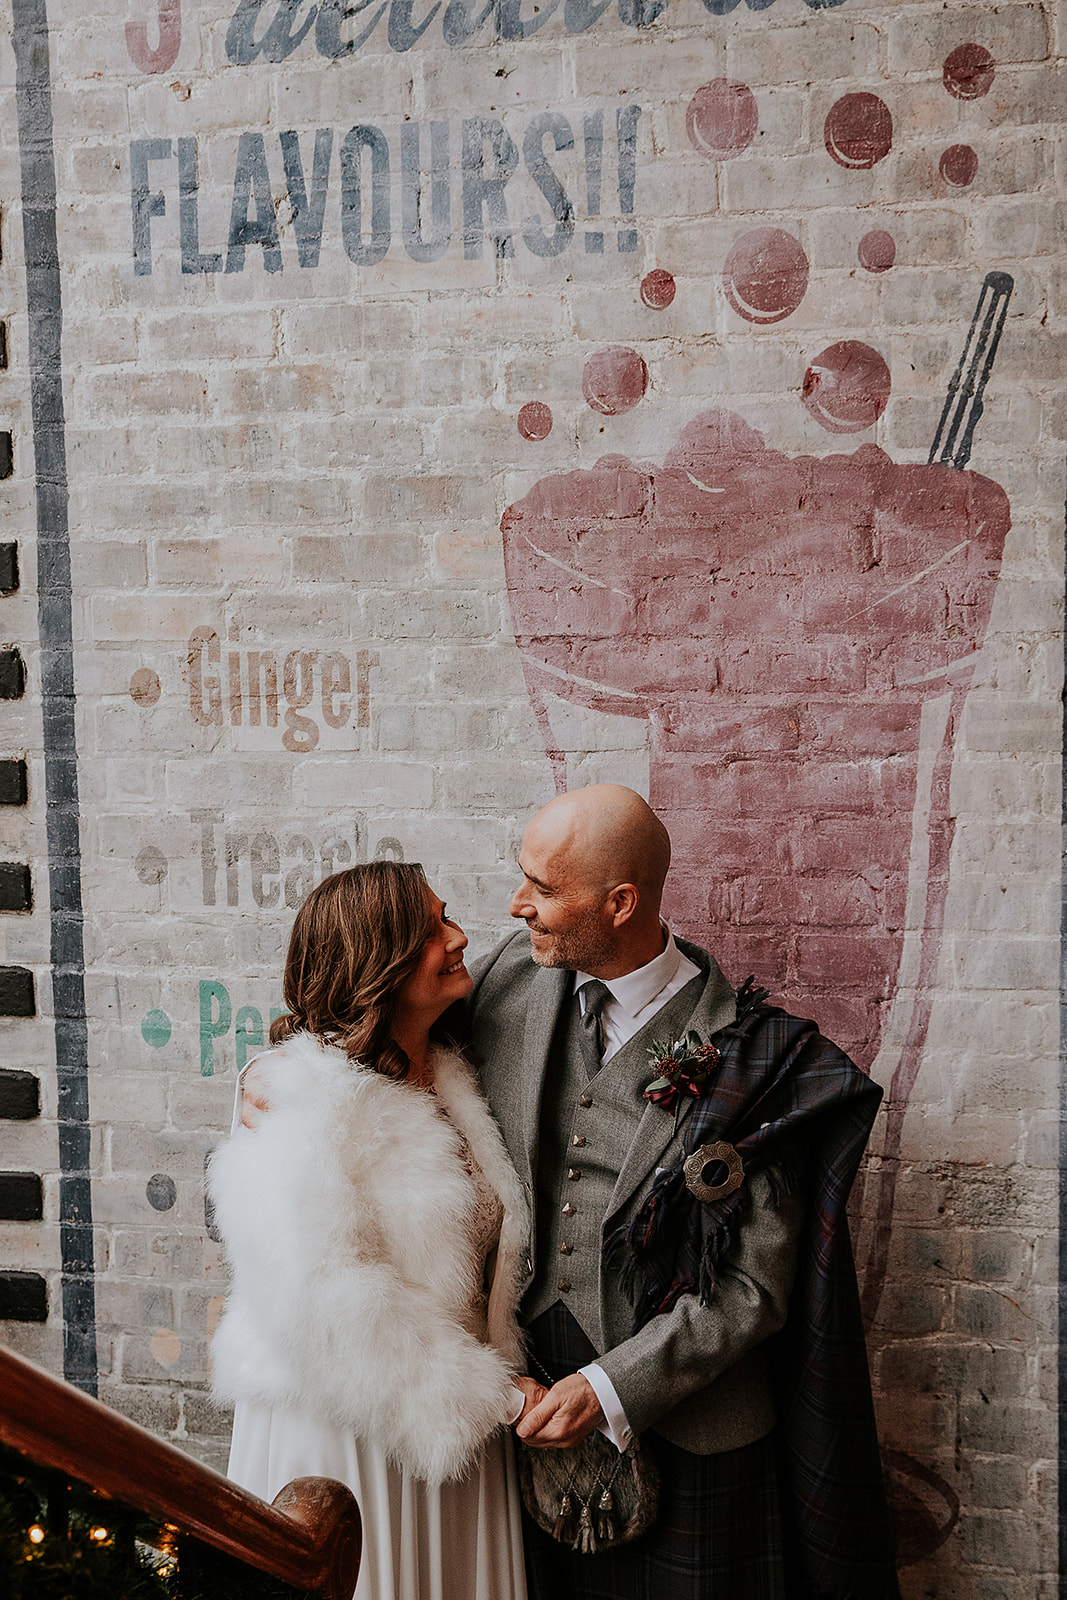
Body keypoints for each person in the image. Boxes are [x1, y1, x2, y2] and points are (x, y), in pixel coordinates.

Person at [467, 784, 900, 1600]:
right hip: (525, 1409)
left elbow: (751, 1291)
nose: (518, 903)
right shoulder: (503, 982)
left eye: (545, 888)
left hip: (692, 1424)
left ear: (620, 902)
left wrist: (609, 1390)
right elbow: (374, 1035)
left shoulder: (753, 1059)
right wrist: (273, 1076)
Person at [208, 862, 546, 1600]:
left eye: (446, 916)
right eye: (430, 930)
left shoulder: (450, 1070)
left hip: (454, 1421)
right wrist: (495, 1396)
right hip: (346, 1424)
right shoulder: (298, 1095)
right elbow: (326, 1298)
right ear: (377, 959)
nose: (459, 938)